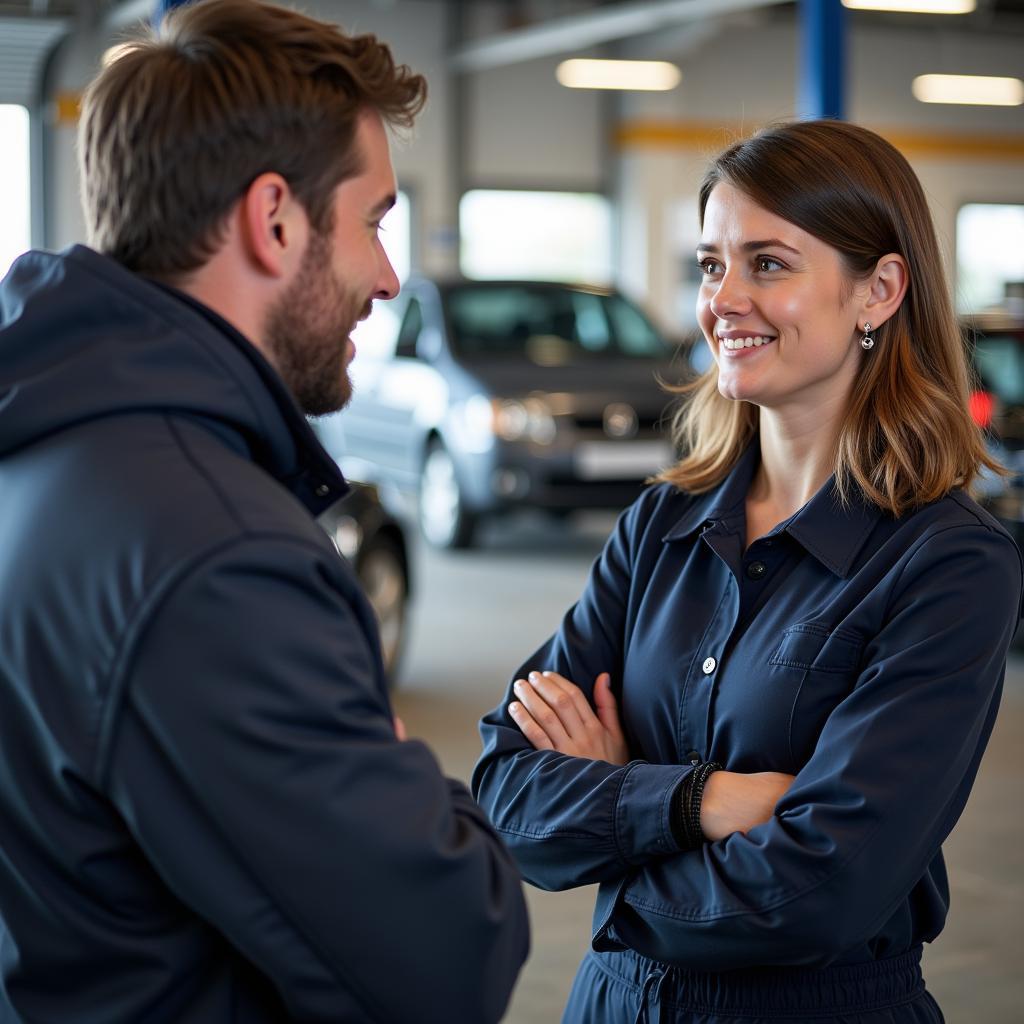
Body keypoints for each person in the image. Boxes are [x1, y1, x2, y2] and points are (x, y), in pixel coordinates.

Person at [0, 2, 529, 1021]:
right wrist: (409, 773)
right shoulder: (215, 557)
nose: (386, 277)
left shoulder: (42, 446)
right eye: (375, 221)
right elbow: (452, 954)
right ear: (273, 216)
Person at [473, 118, 1022, 1023]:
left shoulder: (948, 565)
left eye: (768, 263)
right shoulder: (661, 527)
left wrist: (612, 827)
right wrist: (702, 803)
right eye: (709, 264)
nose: (724, 297)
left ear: (878, 291)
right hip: (615, 1004)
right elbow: (505, 788)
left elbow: (820, 890)